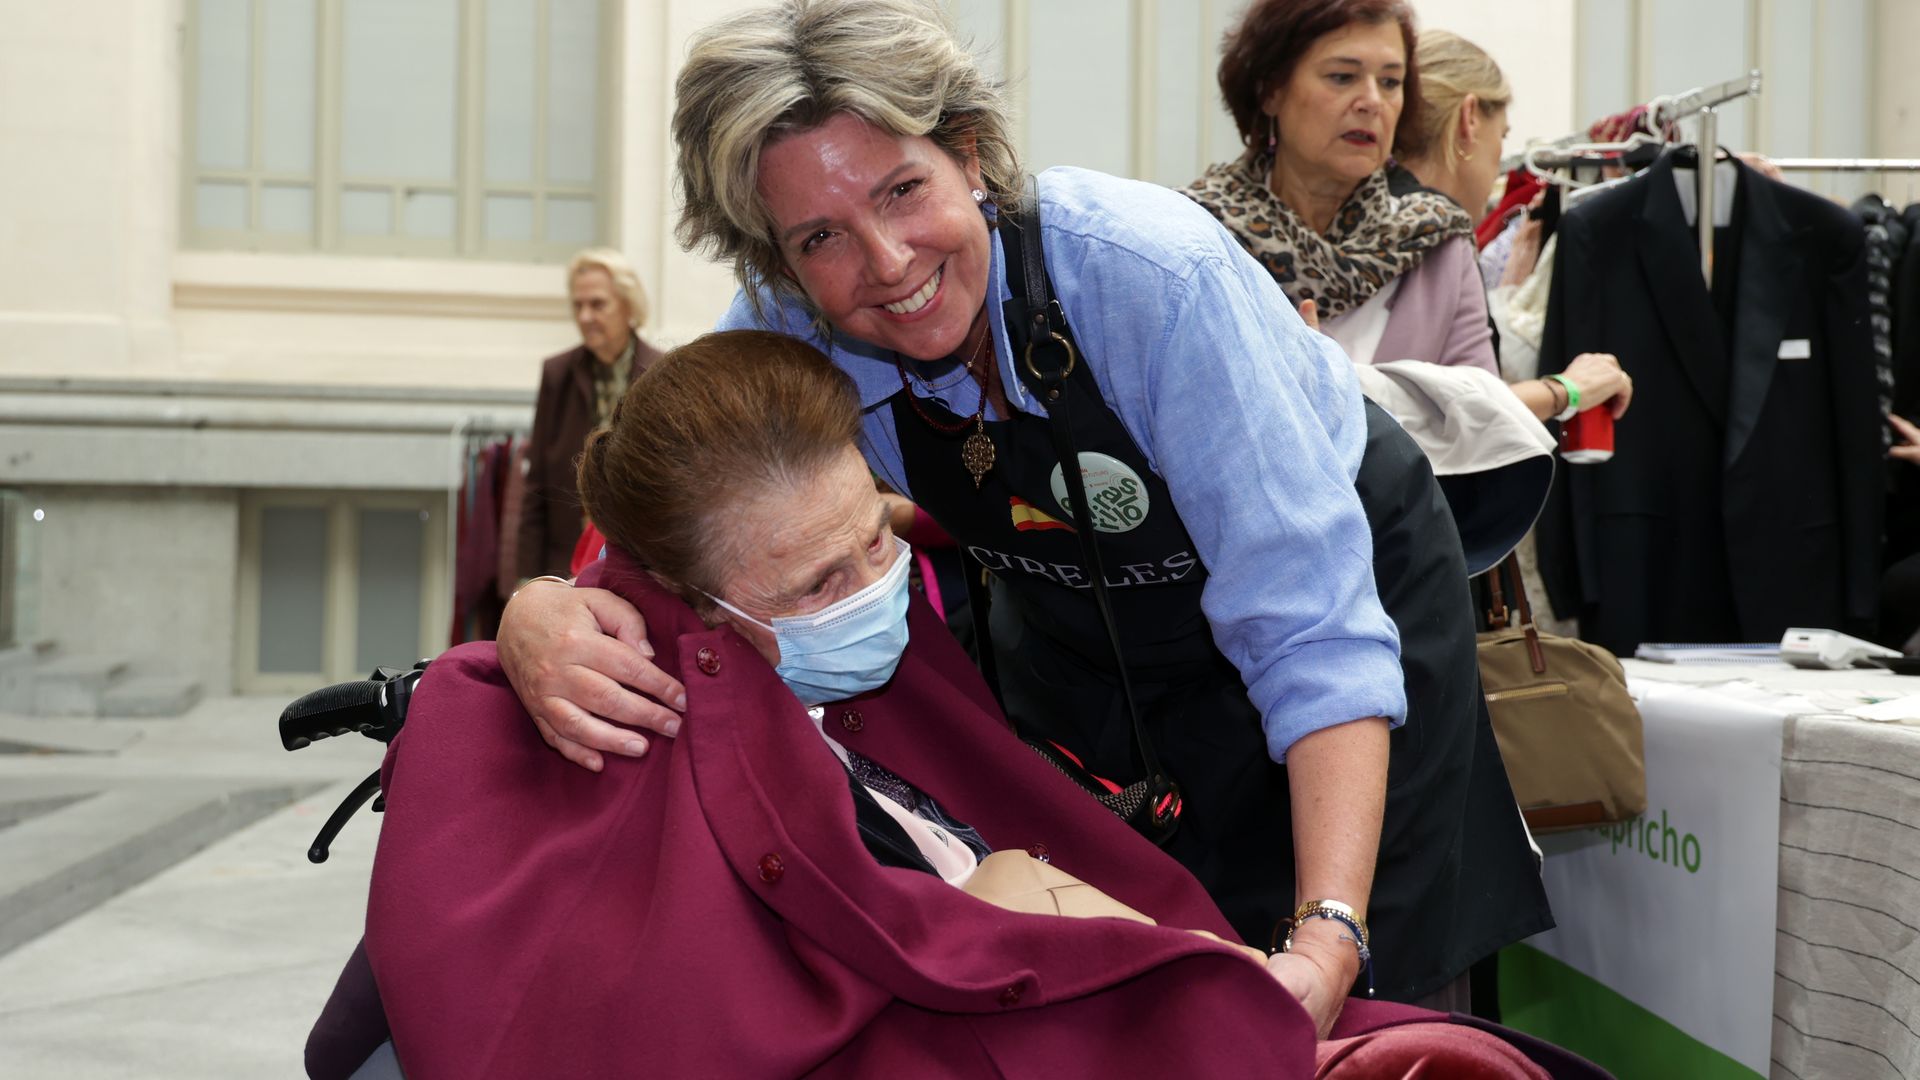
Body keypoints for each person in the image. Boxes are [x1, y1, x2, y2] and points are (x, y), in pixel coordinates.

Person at [491, 0, 1550, 1029]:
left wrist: (1329, 936)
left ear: (968, 152)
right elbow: (664, 527)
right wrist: (543, 612)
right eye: (820, 237)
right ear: (777, 260)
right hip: (1090, 643)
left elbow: (1307, 623)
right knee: (1135, 989)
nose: (888, 264)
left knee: (1370, 1002)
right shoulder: (788, 328)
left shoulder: (1148, 279)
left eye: (904, 189)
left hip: (1340, 620)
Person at [329, 330, 1588, 1079]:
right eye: (820, 584)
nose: (877, 588)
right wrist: (546, 600)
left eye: (877, 538)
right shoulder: (618, 692)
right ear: (690, 606)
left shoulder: (862, 639)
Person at [1184, 5, 1628, 426]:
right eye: (1342, 77)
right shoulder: (1197, 236)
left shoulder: (1437, 240)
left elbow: (1479, 420)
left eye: (1391, 82)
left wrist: (1563, 393)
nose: (1371, 101)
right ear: (1270, 90)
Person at [515, 248, 663, 583]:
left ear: (628, 306)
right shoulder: (558, 375)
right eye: (578, 305)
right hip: (564, 562)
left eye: (597, 304)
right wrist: (526, 579)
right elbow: (536, 485)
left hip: (639, 564)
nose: (585, 316)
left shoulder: (660, 373)